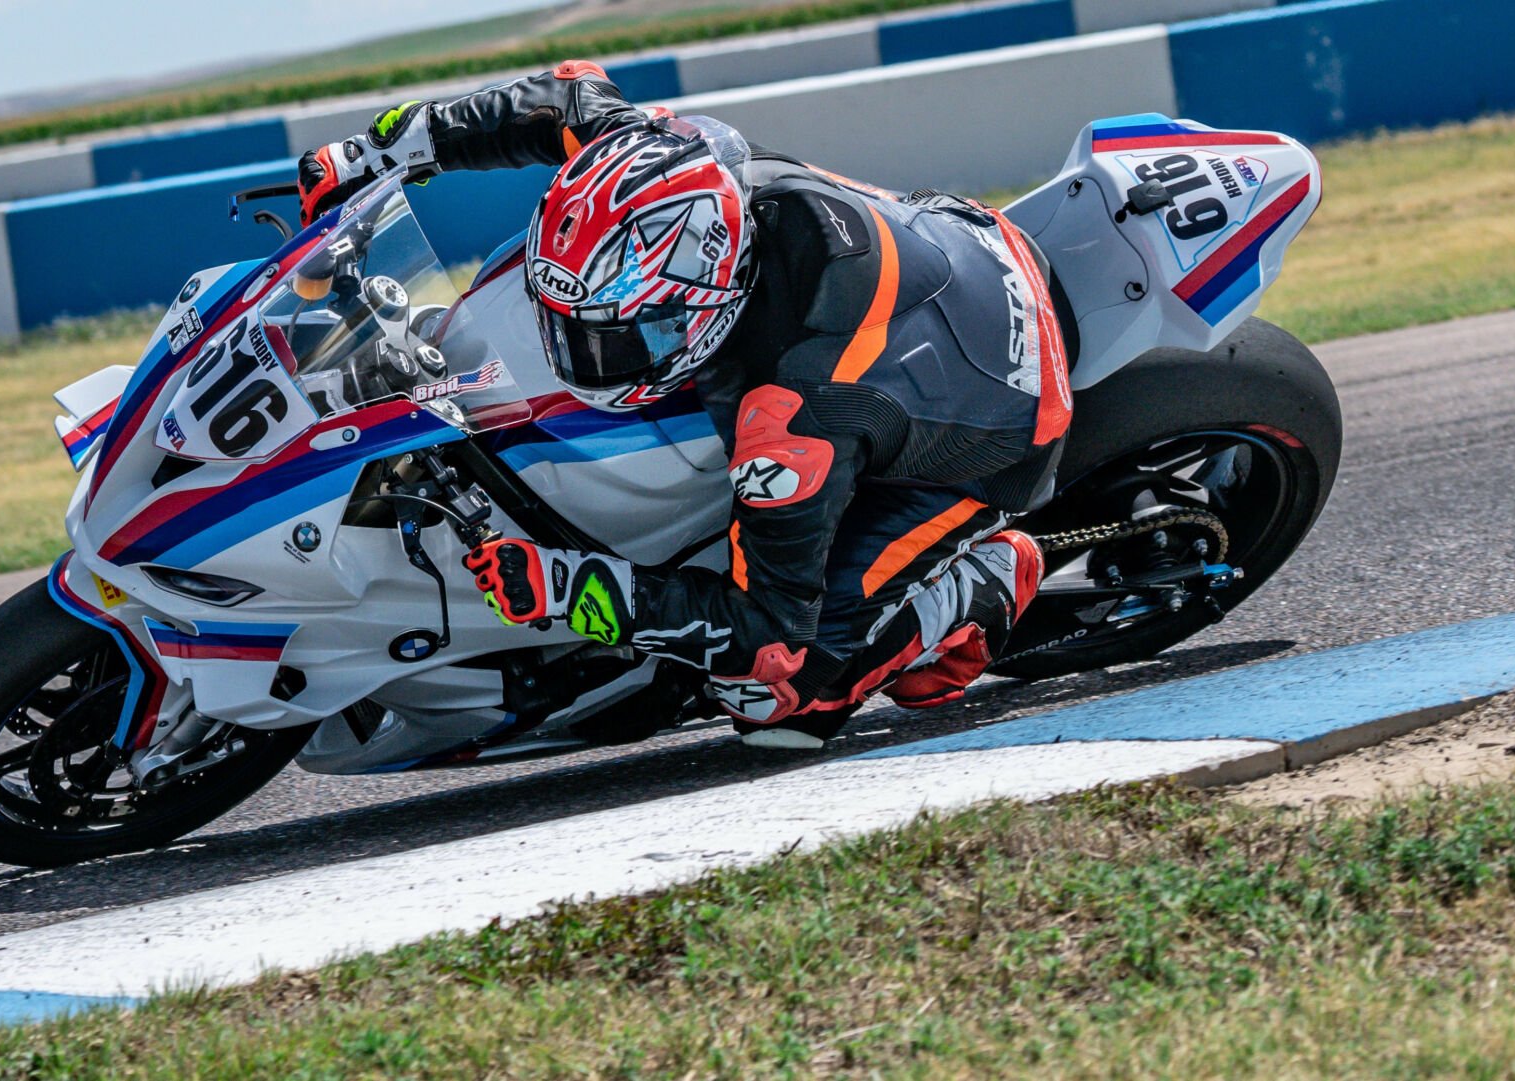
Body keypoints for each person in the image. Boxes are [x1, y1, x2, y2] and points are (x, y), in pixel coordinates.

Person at [297, 61, 1068, 749]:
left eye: (621, 336)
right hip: (961, 240)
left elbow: (767, 632)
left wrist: (569, 587)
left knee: (778, 697)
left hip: (999, 413)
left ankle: (986, 584)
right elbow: (564, 91)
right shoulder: (671, 163)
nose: (586, 358)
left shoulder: (792, 418)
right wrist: (379, 152)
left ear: (708, 296)